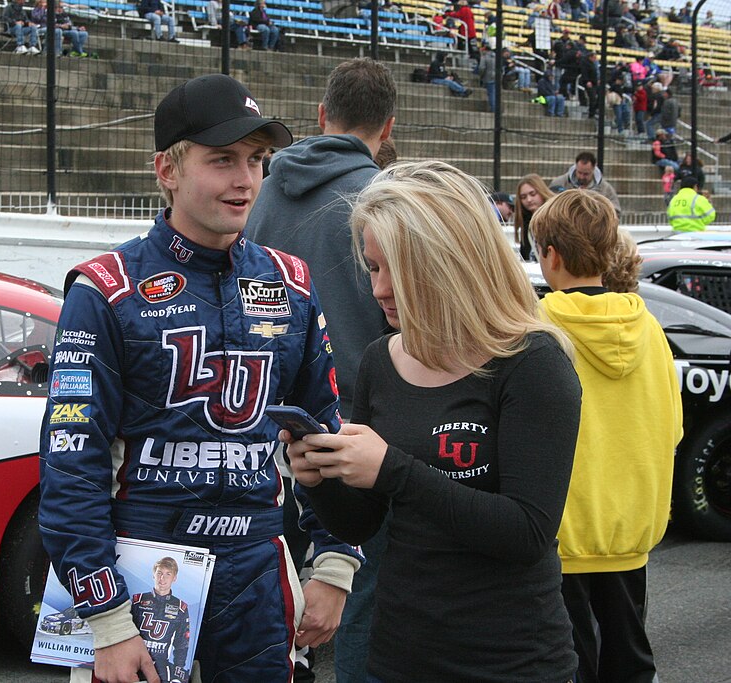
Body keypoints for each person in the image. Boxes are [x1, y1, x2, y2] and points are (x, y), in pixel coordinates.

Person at [39, 73, 362, 683]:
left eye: (257, 160)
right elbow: (69, 465)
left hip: (260, 571)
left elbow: (326, 431)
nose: (245, 180)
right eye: (222, 160)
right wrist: (107, 621)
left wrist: (334, 565)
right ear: (167, 170)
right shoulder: (107, 288)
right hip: (139, 574)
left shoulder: (291, 282)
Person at [284, 159, 582, 682]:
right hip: (399, 655)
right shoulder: (382, 359)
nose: (379, 289)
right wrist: (322, 479)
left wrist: (391, 469)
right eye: (374, 267)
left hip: (511, 663)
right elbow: (364, 523)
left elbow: (526, 531)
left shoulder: (532, 362)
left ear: (450, 261)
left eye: (398, 268)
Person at [244, 58, 396, 683]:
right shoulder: (386, 199)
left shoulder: (259, 190)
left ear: (320, 115)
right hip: (358, 433)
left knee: (263, 605)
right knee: (359, 603)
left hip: (261, 425)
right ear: (387, 127)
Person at [531, 190, 682, 683]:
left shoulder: (538, 327)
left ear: (550, 255)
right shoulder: (651, 329)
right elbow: (673, 427)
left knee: (571, 665)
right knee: (630, 659)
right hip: (630, 533)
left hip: (560, 534)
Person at [130, 557, 191, 683]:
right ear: (153, 575)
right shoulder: (137, 600)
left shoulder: (180, 607)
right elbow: (125, 632)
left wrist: (179, 668)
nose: (162, 578)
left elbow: (182, 643)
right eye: (159, 573)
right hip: (134, 661)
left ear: (174, 578)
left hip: (161, 665)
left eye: (168, 574)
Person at [550, 151, 622, 215]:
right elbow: (549, 205)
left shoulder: (605, 189)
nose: (581, 177)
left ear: (593, 168)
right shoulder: (559, 183)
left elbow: (616, 211)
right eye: (579, 172)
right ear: (576, 166)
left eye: (586, 174)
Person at [514, 173, 555, 260]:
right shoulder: (525, 221)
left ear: (541, 191)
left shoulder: (555, 217)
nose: (529, 200)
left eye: (532, 194)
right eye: (523, 197)